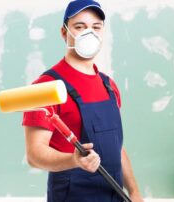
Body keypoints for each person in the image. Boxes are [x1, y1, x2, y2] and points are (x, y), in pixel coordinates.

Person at [22, 0, 143, 201]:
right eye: (80, 27)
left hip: (114, 195)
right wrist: (74, 160)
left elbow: (116, 147)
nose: (90, 33)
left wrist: (135, 191)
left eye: (96, 27)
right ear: (64, 32)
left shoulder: (109, 86)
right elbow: (35, 154)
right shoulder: (45, 87)